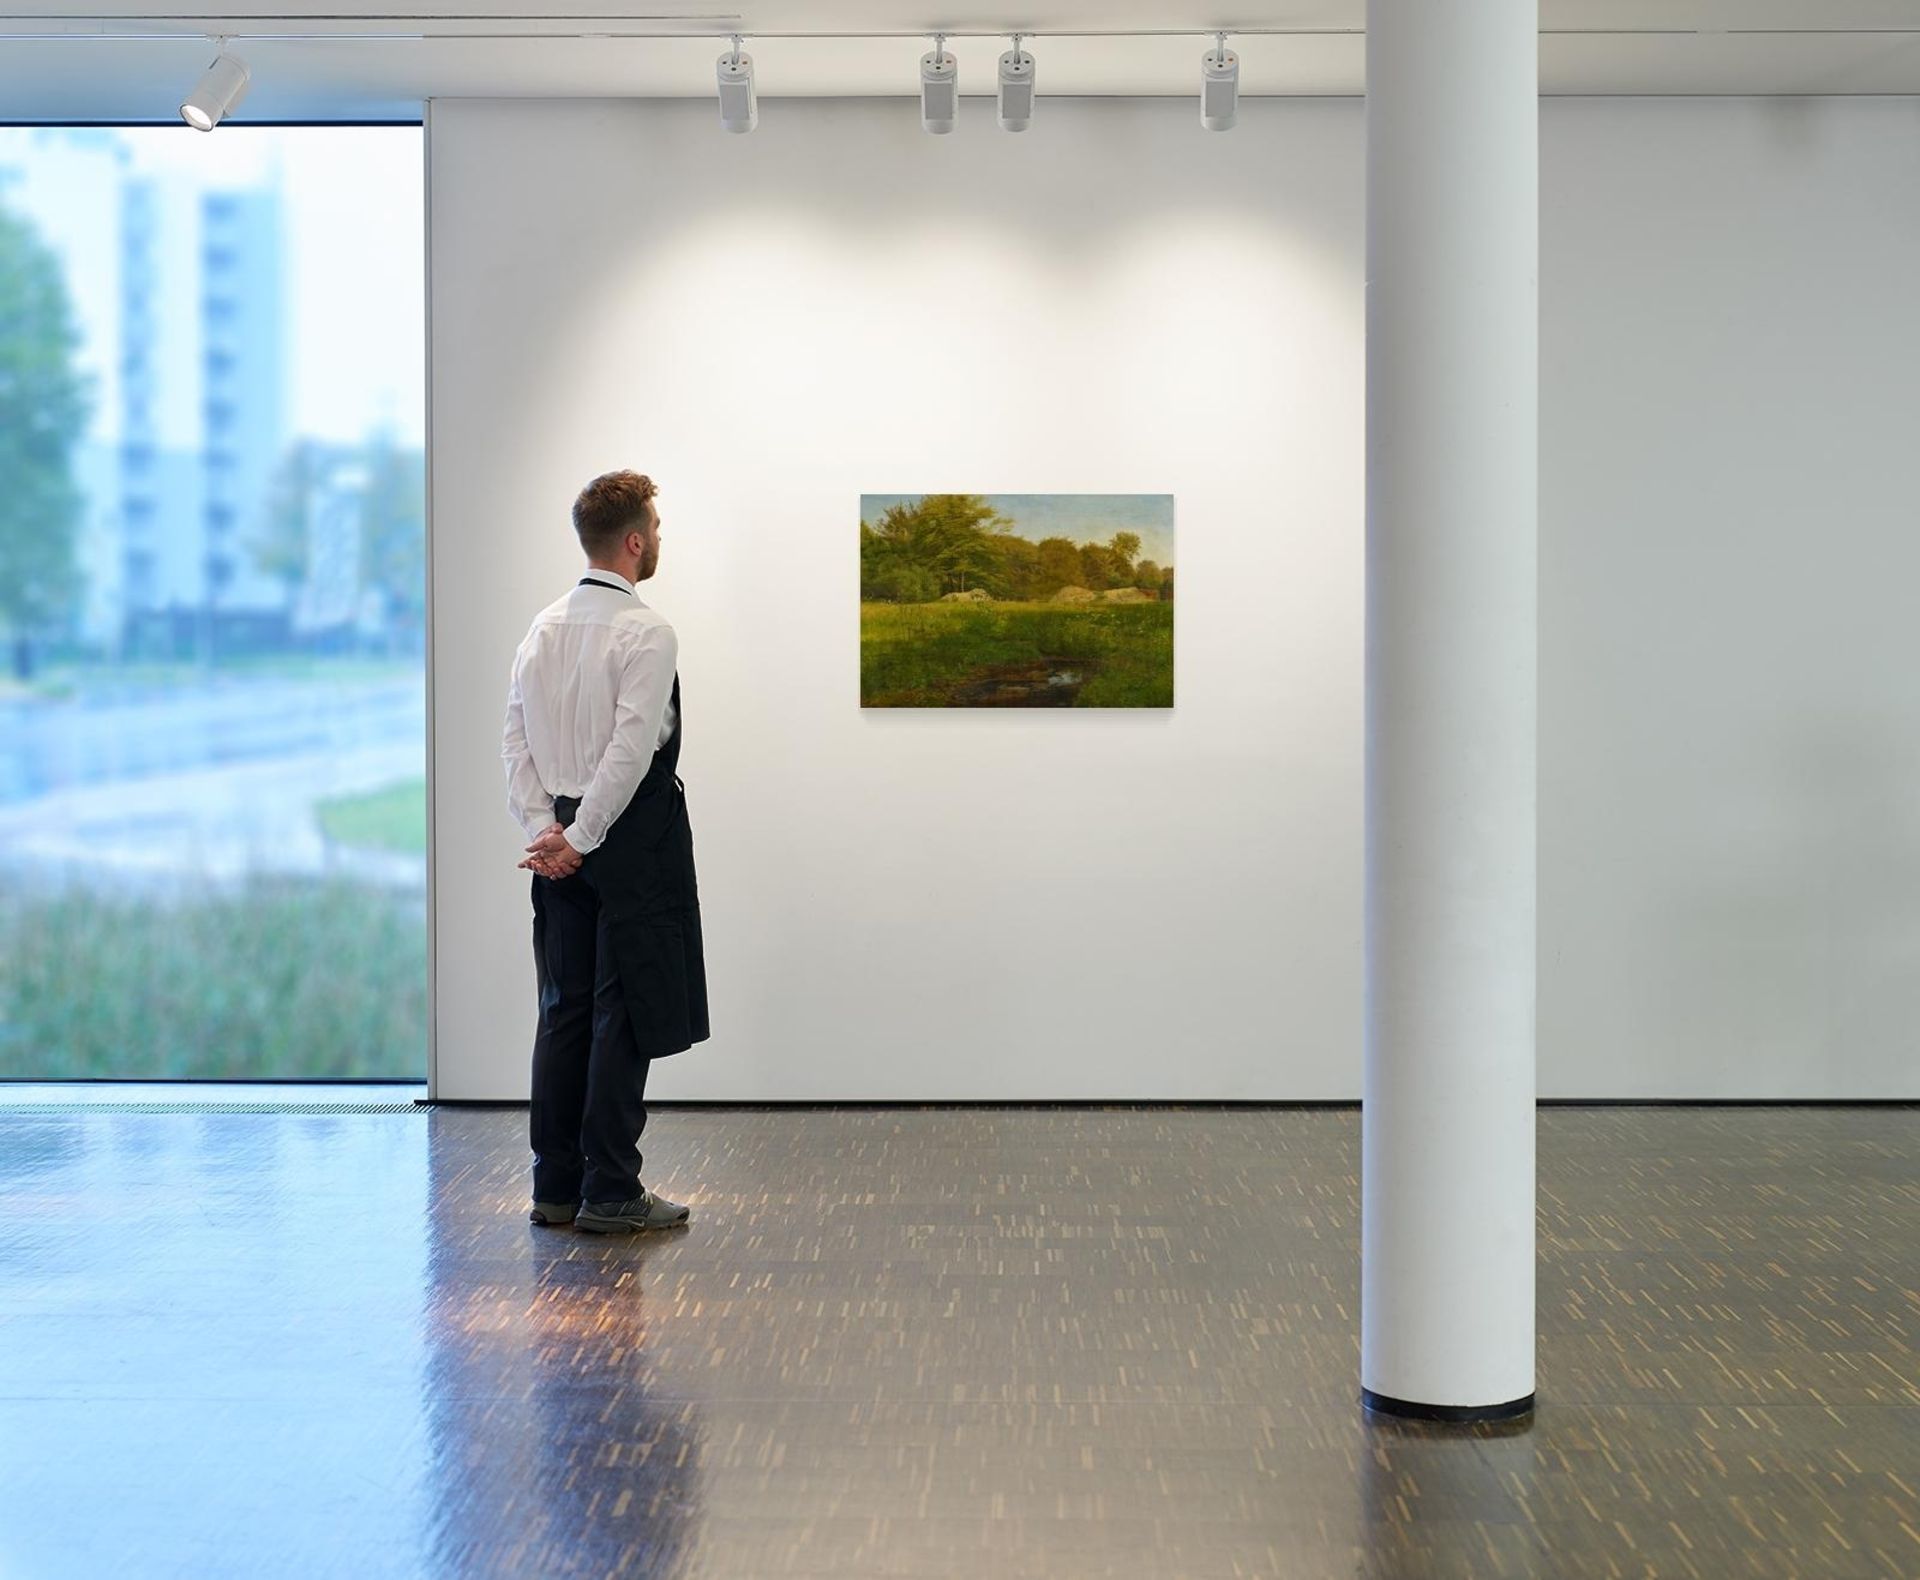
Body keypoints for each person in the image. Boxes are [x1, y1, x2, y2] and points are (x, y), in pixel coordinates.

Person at [500, 469, 710, 1233]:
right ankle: (613, 1189)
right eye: (655, 527)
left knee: (563, 1010)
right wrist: (583, 838)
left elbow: (515, 740)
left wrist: (545, 832)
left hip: (559, 836)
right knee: (622, 1012)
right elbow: (629, 753)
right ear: (633, 540)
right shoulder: (648, 631)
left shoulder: (542, 627)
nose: (659, 539)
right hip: (622, 839)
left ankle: (556, 1186)